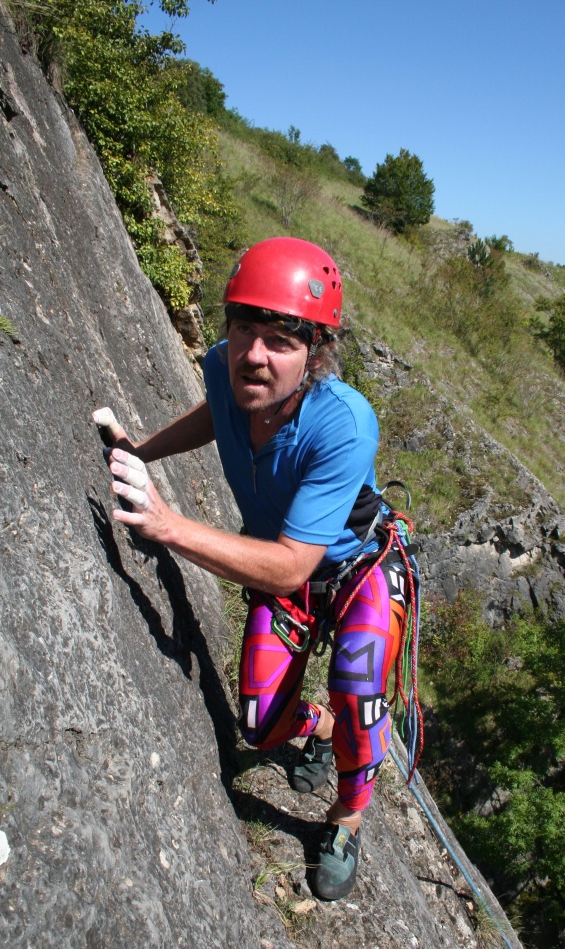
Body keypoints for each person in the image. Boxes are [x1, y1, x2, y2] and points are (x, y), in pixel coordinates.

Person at [94, 236, 419, 900]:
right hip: (283, 565)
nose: (254, 354)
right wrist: (143, 451)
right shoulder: (224, 367)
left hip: (354, 569)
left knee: (358, 695)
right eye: (244, 328)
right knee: (258, 727)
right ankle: (321, 729)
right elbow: (217, 412)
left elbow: (289, 568)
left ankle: (345, 818)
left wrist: (166, 525)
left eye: (281, 339)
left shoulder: (343, 424)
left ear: (317, 351)